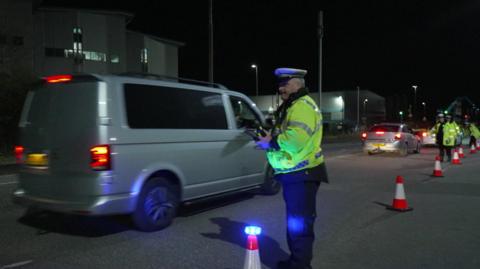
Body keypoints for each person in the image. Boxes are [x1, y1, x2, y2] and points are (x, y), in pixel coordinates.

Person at [255, 67, 328, 269]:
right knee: (296, 223)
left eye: (284, 84)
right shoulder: (295, 105)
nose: (281, 89)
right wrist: (269, 136)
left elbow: (295, 140)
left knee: (300, 224)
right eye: (279, 84)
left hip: (302, 173)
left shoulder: (302, 106)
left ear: (297, 83)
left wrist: (270, 142)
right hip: (297, 174)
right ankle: (297, 261)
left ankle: (300, 265)